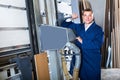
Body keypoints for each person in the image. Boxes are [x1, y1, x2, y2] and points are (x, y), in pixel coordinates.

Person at [61, 8, 104, 80]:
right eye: (85, 15)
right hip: (80, 57)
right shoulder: (79, 26)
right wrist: (71, 18)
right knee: (81, 76)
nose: (87, 18)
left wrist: (82, 41)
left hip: (92, 59)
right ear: (82, 17)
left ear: (93, 16)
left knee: (92, 77)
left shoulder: (98, 29)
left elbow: (97, 44)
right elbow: (64, 25)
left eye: (89, 15)